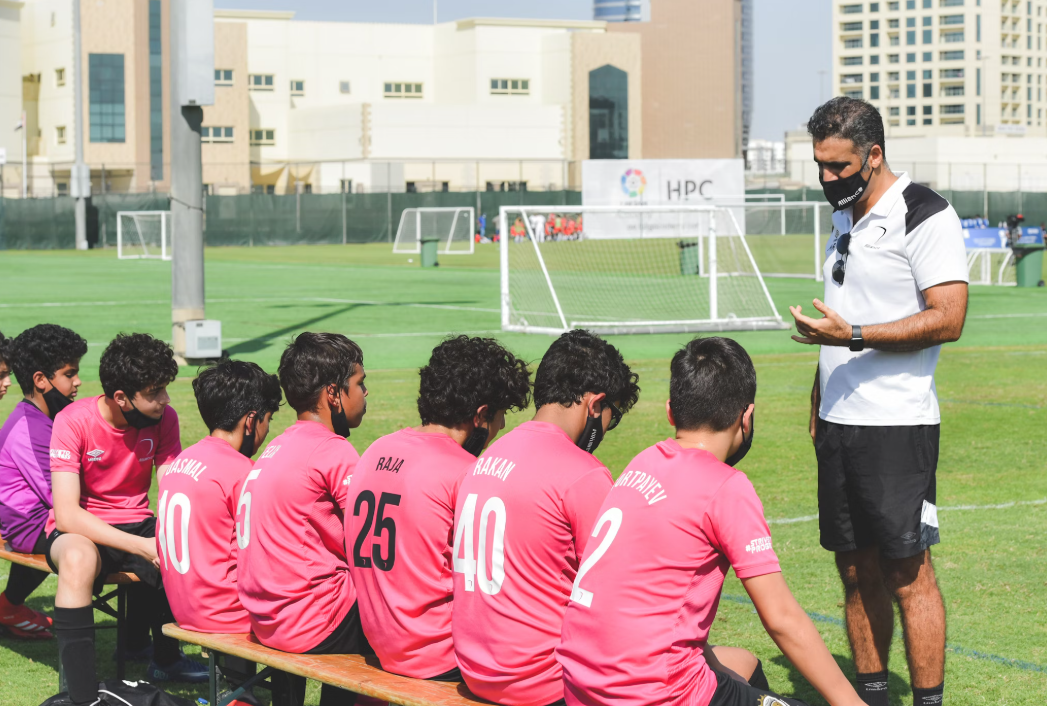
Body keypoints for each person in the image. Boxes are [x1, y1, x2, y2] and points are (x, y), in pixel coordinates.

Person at [557, 337, 865, 706]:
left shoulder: (643, 461)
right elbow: (782, 618)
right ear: (745, 417)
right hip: (652, 692)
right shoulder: (726, 487)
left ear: (671, 412)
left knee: (746, 667)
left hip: (579, 681)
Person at [791, 97, 968, 706]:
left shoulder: (925, 214)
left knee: (906, 574)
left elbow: (949, 318)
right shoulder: (845, 215)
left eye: (838, 167)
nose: (827, 178)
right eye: (819, 165)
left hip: (897, 426)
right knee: (852, 568)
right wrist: (821, 393)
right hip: (839, 425)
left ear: (873, 155)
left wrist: (856, 338)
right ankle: (871, 697)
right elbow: (843, 314)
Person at [451, 329, 639, 706]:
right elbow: (619, 597)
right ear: (595, 404)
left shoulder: (489, 455)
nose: (607, 430)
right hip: (543, 681)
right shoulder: (582, 473)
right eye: (611, 418)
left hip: (475, 669)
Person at [348, 336, 531, 681]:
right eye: (500, 414)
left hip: (381, 642)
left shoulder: (376, 449)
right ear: (480, 415)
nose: (502, 426)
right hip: (440, 654)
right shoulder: (465, 472)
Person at [47, 333, 206, 706]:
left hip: (138, 522)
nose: (165, 400)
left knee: (186, 541)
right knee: (77, 558)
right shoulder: (72, 420)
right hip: (83, 527)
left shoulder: (164, 419)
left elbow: (171, 491)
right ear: (121, 397)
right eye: (155, 392)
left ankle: (167, 660)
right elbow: (68, 514)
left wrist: (173, 537)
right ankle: (83, 697)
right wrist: (144, 546)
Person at [237, 332, 369, 706]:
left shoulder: (278, 444)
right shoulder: (333, 450)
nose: (365, 394)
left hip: (267, 618)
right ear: (333, 393)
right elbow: (369, 542)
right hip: (311, 621)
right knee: (398, 618)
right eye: (360, 383)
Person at [157, 359, 282, 705]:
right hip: (225, 613)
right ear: (251, 419)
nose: (267, 432)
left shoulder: (182, 461)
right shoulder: (243, 471)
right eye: (268, 421)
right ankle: (244, 696)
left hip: (183, 606)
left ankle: (236, 692)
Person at [0, 325, 88, 640]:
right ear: (41, 380)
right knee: (108, 541)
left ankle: (9, 605)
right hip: (30, 525)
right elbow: (59, 498)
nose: (78, 382)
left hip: (42, 517)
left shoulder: (46, 417)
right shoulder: (29, 428)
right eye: (70, 374)